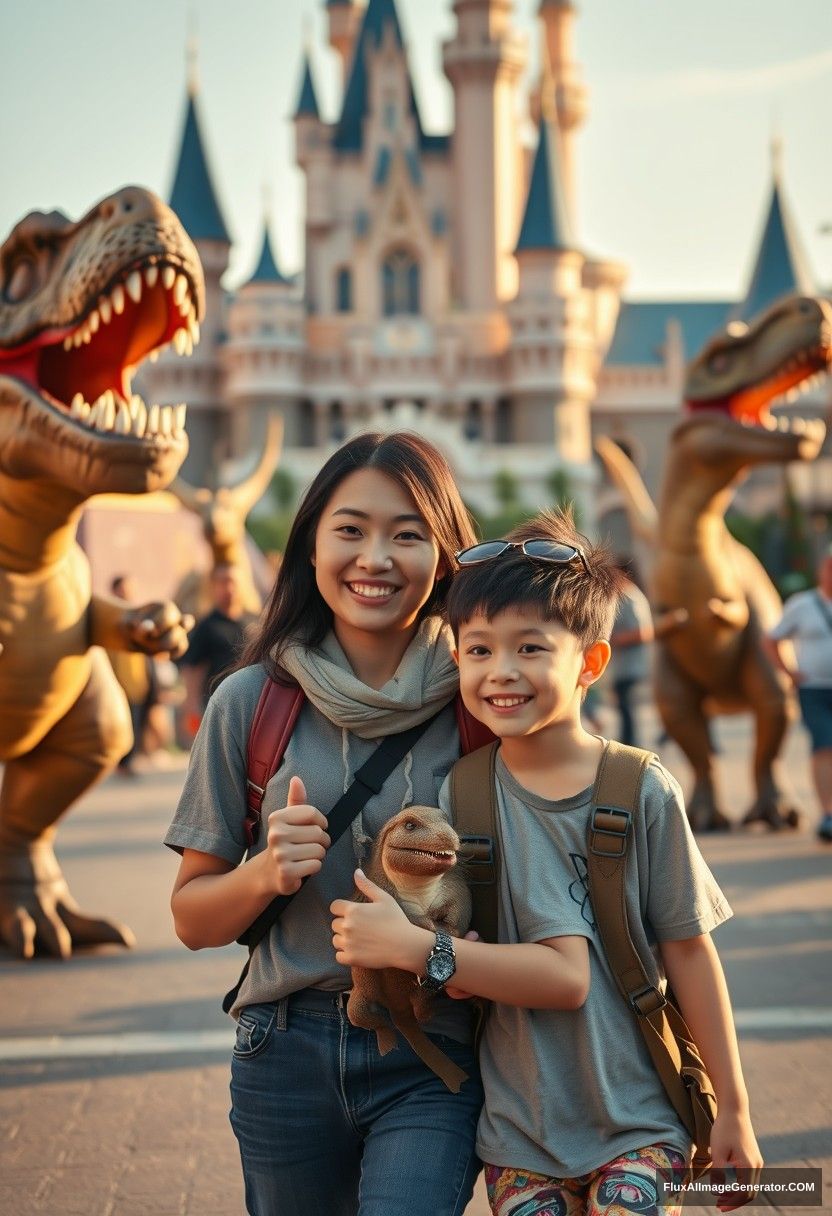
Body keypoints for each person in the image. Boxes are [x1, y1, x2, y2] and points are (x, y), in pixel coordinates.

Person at [332, 508, 762, 1216]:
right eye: (477, 651)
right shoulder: (461, 792)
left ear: (590, 661)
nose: (501, 671)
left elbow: (688, 951)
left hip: (639, 1119)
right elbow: (474, 947)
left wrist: (735, 1110)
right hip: (518, 1137)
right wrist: (444, 960)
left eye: (530, 649)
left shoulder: (641, 787)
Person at [165, 433, 485, 1216]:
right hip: (285, 1049)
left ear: (444, 558)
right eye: (350, 529)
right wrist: (264, 872)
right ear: (311, 545)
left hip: (433, 1045)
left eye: (407, 533)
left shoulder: (484, 705)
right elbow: (191, 920)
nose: (374, 556)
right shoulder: (248, 703)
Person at [764, 544, 832, 843]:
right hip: (814, 688)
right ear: (822, 571)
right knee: (824, 747)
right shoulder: (802, 605)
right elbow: (772, 639)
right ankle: (828, 813)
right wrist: (789, 672)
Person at [178, 563, 257, 740]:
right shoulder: (207, 626)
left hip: (253, 703)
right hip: (218, 705)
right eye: (223, 582)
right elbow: (192, 667)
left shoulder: (254, 622)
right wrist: (191, 707)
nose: (229, 588)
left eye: (233, 582)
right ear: (214, 587)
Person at [107, 574, 159, 775]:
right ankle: (123, 763)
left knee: (137, 723)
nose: (127, 593)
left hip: (139, 682)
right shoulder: (109, 620)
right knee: (123, 725)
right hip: (118, 683)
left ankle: (128, 762)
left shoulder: (142, 618)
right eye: (123, 589)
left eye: (129, 589)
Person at [606, 560, 653, 747]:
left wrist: (614, 640)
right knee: (624, 707)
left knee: (627, 708)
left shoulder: (630, 596)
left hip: (631, 665)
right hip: (623, 665)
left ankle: (631, 744)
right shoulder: (624, 596)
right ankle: (628, 742)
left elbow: (644, 632)